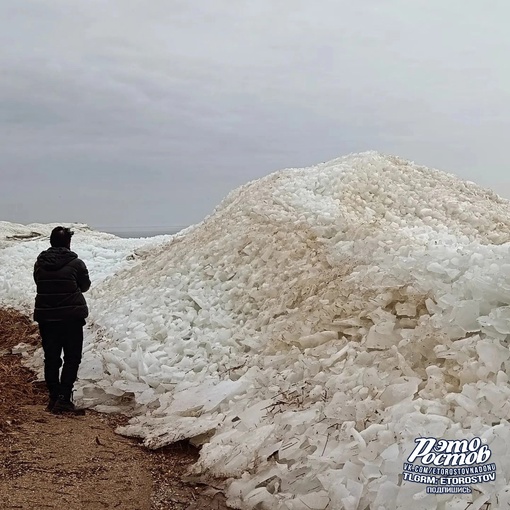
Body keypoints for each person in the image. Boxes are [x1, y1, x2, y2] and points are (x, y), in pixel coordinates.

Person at [33, 226, 91, 414]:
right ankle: (64, 398)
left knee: (51, 358)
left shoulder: (40, 264)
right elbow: (85, 286)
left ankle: (53, 397)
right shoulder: (76, 263)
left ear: (51, 242)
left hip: (47, 318)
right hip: (71, 318)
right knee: (72, 357)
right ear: (68, 243)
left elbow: (39, 282)